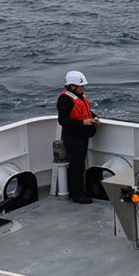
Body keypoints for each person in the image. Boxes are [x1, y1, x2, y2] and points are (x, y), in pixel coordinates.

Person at [56, 70, 100, 204]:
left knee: (79, 164)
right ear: (72, 86)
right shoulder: (65, 100)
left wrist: (93, 117)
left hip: (82, 136)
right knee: (77, 165)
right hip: (73, 138)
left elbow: (86, 110)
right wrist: (83, 122)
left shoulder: (79, 96)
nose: (83, 88)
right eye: (81, 86)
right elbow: (63, 121)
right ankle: (77, 194)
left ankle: (79, 190)